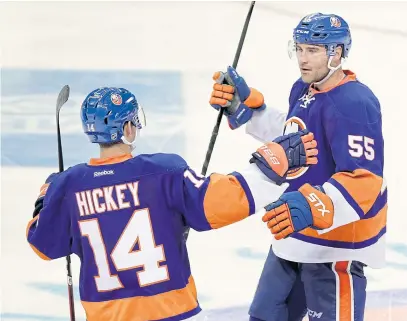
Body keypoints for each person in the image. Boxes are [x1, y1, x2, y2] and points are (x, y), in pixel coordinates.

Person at [26, 87, 322, 321]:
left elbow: (43, 245)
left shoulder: (69, 186)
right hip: (174, 314)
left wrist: (45, 200)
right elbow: (219, 203)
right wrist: (268, 167)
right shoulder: (163, 172)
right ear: (129, 128)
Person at [209, 12, 387, 321]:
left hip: (336, 246)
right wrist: (247, 112)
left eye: (313, 50)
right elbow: (296, 135)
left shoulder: (354, 103)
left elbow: (364, 180)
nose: (303, 59)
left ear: (337, 53)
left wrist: (314, 205)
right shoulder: (303, 88)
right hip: (294, 237)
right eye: (300, 49)